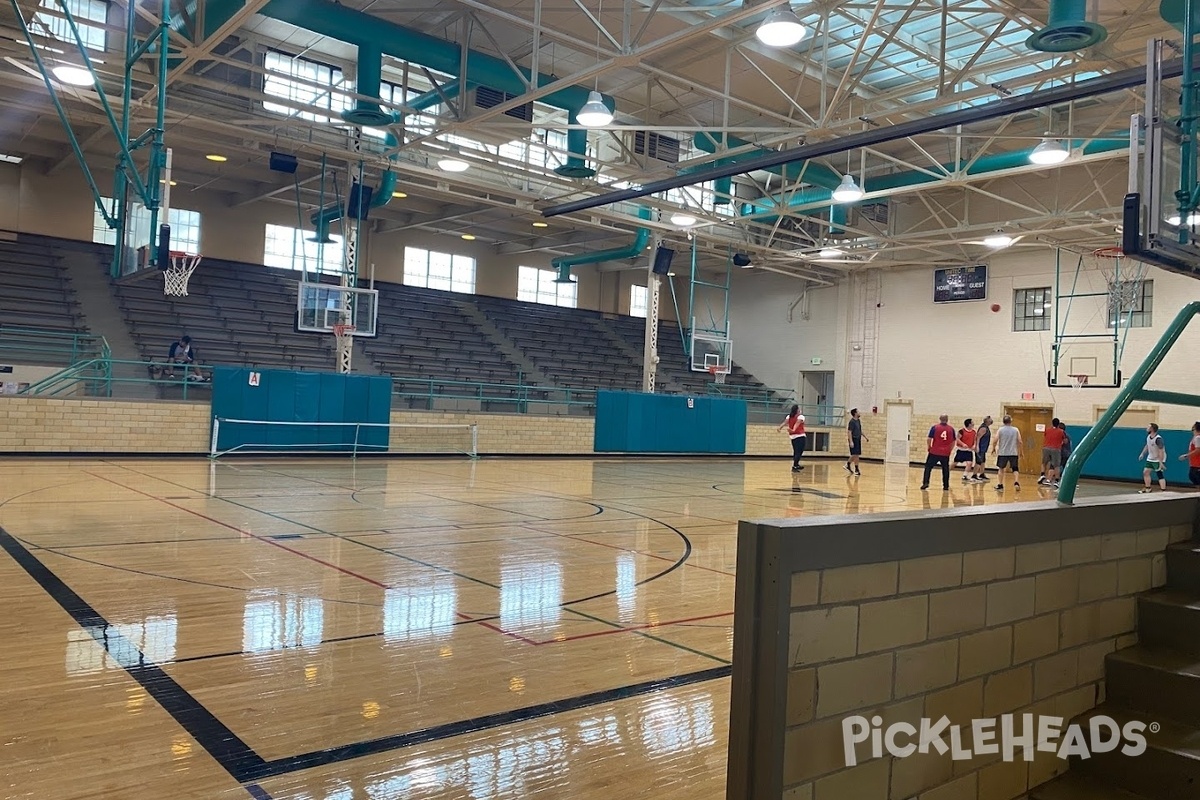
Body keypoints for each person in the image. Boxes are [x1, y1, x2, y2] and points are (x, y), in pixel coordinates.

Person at [921, 414, 956, 491]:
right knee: (945, 469)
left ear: (940, 419)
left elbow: (929, 438)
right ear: (947, 419)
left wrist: (929, 446)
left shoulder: (935, 427)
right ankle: (946, 485)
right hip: (945, 452)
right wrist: (950, 449)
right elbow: (953, 441)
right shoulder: (951, 429)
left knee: (928, 467)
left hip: (935, 451)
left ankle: (926, 483)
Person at [993, 415, 1023, 492]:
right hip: (1013, 452)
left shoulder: (1000, 430)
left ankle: (1000, 485)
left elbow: (995, 440)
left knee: (1001, 468)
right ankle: (1016, 482)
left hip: (1002, 453)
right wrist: (1021, 452)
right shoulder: (1016, 430)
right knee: (1015, 468)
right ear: (1011, 421)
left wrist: (993, 448)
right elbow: (1020, 441)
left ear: (1003, 421)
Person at [1138, 422, 1168, 493]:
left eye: (1148, 427)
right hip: (1151, 458)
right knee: (1145, 472)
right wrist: (1142, 454)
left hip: (1158, 458)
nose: (1146, 428)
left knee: (1159, 474)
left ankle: (1163, 490)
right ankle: (1148, 488)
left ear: (1152, 429)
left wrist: (1161, 462)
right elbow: (1147, 445)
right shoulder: (1148, 437)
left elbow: (1161, 451)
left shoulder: (1158, 439)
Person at [778, 404, 807, 472]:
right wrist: (793, 429)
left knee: (796, 451)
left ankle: (796, 464)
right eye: (799, 409)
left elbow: (784, 422)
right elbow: (797, 423)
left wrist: (779, 427)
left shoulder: (789, 416)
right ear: (797, 410)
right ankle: (795, 466)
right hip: (800, 436)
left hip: (793, 437)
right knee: (799, 452)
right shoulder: (800, 417)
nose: (800, 410)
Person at [1040, 418, 1066, 488]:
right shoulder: (1061, 431)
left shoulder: (1047, 430)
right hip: (1056, 449)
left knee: (1044, 462)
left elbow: (1045, 436)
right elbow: (1065, 441)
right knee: (1056, 466)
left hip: (1046, 447)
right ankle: (1057, 481)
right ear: (1058, 424)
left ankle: (1042, 475)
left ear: (1052, 423)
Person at [845, 408, 868, 476]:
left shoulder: (858, 421)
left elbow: (860, 430)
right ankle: (852, 467)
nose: (859, 412)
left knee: (856, 454)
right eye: (858, 411)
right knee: (855, 454)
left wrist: (865, 437)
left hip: (858, 439)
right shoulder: (851, 422)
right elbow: (849, 432)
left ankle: (852, 467)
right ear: (855, 413)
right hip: (853, 439)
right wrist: (851, 441)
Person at [1178, 421, 1200, 491]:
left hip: (1198, 464)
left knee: (1195, 477)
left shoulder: (1198, 438)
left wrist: (1186, 456)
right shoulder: (1195, 437)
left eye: (1193, 428)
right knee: (1193, 477)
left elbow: (1198, 450)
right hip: (1194, 463)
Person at [972, 416, 993, 482]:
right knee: (978, 461)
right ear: (987, 421)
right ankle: (974, 475)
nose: (992, 420)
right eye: (990, 419)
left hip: (983, 448)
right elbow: (977, 437)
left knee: (983, 461)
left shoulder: (986, 427)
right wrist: (977, 446)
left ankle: (982, 474)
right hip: (980, 448)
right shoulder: (983, 428)